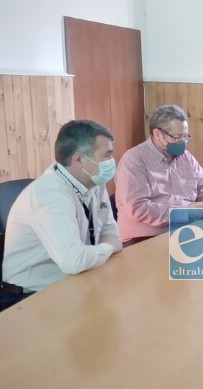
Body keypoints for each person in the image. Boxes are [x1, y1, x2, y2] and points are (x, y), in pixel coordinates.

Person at [1, 120, 122, 308]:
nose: (111, 161)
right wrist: (108, 247)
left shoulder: (95, 182)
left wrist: (107, 245)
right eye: (106, 155)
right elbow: (75, 261)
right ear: (79, 160)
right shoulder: (50, 194)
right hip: (30, 297)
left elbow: (111, 233)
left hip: (78, 279)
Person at [115, 104, 203, 246]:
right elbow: (139, 209)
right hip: (143, 240)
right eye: (177, 137)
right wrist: (185, 212)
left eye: (185, 137)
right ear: (157, 134)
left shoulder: (186, 157)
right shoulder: (134, 161)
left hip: (184, 234)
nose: (182, 142)